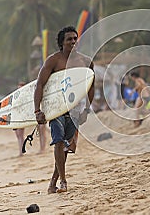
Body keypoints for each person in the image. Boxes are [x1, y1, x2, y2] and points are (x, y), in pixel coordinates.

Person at [34, 26, 94, 194]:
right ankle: (63, 181)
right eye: (69, 39)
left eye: (75, 38)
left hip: (76, 109)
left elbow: (90, 87)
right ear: (62, 43)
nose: (73, 42)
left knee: (66, 146)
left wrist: (86, 110)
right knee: (59, 141)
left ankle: (53, 181)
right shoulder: (53, 61)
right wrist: (37, 110)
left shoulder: (86, 62)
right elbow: (40, 84)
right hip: (56, 108)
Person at [14, 81, 47, 157]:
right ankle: (21, 152)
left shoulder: (32, 94)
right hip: (22, 115)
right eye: (19, 88)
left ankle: (42, 149)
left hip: (35, 112)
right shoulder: (16, 98)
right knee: (19, 134)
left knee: (41, 130)